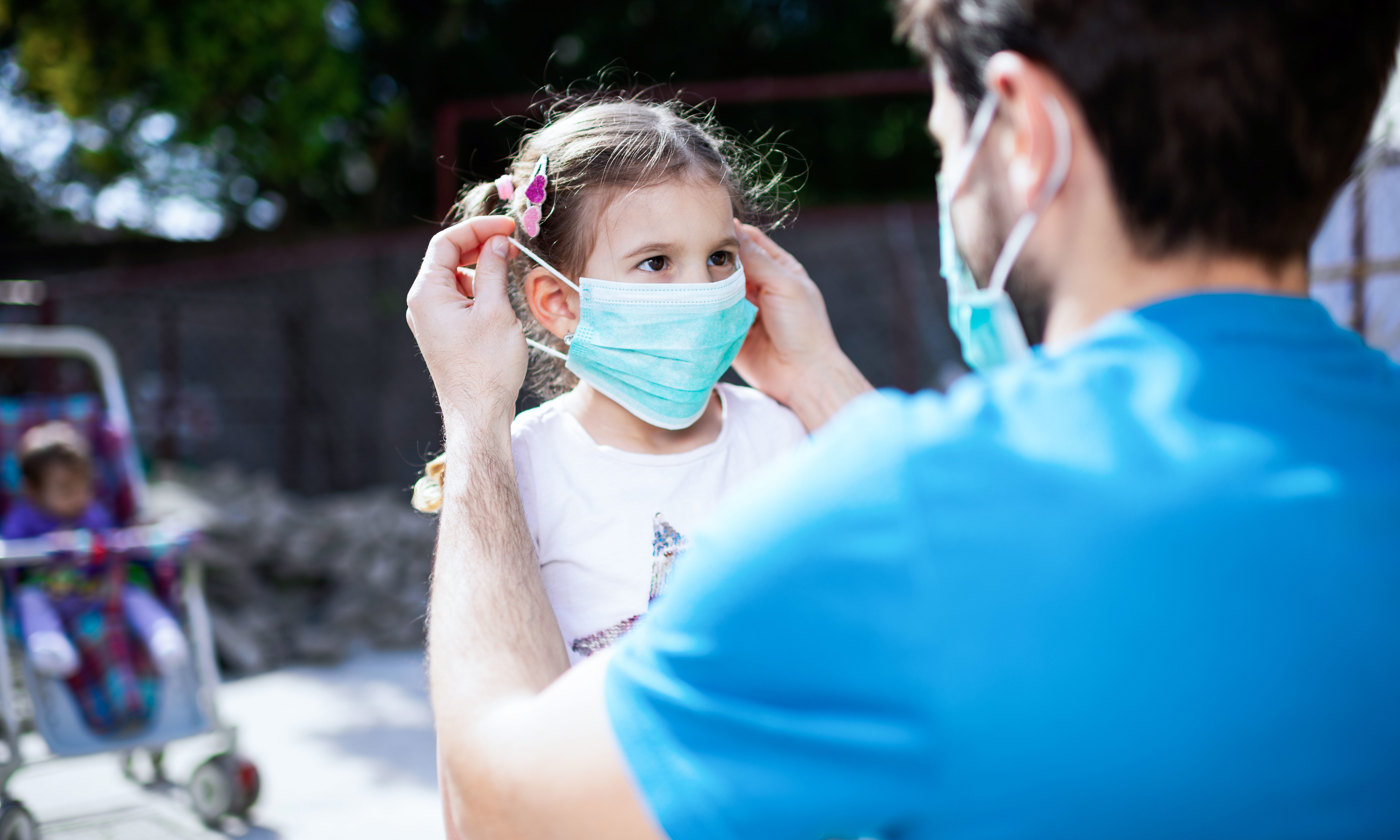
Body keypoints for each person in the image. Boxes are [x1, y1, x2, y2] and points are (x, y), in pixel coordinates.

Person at [405, 1, 1400, 837]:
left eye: (942, 137)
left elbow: (504, 808)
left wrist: (472, 416)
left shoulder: (897, 520)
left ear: (1024, 132)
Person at [412, 99, 807, 664]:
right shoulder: (517, 470)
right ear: (559, 304)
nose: (702, 288)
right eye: (656, 262)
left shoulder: (780, 435)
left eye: (720, 256)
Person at [3, 421, 187, 684]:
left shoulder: (93, 513)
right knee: (28, 600)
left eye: (84, 485)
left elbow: (110, 541)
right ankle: (49, 646)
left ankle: (162, 635)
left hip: (94, 589)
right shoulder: (23, 518)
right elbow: (9, 550)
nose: (79, 495)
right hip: (50, 592)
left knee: (131, 591)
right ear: (33, 490)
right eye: (66, 488)